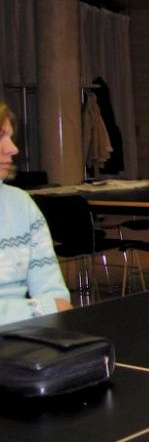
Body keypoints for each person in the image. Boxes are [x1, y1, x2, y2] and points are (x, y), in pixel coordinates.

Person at [0, 101, 71, 325]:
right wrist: (45, 308)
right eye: (1, 136)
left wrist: (50, 306)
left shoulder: (22, 204)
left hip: (24, 339)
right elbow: (53, 306)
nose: (13, 148)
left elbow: (58, 298)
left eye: (10, 137)